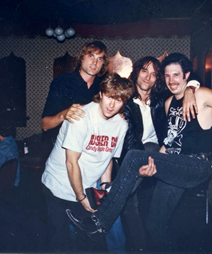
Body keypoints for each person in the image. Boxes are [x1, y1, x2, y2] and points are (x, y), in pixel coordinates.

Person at [66, 53, 212, 251]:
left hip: (196, 166)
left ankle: (99, 223)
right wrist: (153, 164)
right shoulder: (170, 103)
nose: (171, 80)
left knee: (133, 156)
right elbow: (168, 143)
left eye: (177, 76)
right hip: (175, 166)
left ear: (187, 76)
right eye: (168, 75)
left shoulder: (201, 95)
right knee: (155, 227)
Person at [41, 73, 134, 252]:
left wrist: (104, 187)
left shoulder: (121, 125)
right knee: (61, 244)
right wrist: (81, 197)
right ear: (101, 94)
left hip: (85, 188)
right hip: (58, 187)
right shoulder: (81, 117)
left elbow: (107, 158)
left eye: (119, 100)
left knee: (88, 244)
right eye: (109, 97)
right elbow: (71, 163)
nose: (112, 105)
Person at [118, 56, 199, 251]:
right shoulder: (124, 100)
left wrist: (190, 88)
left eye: (154, 74)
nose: (148, 77)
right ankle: (141, 248)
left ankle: (113, 193)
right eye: (144, 71)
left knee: (149, 149)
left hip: (158, 154)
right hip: (131, 156)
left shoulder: (161, 100)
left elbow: (190, 78)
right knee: (129, 203)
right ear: (136, 71)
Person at [41, 41, 109, 142]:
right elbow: (45, 125)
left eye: (99, 59)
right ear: (81, 58)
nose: (95, 63)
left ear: (103, 63)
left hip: (92, 145)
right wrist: (64, 115)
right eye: (91, 56)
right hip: (63, 144)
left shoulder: (104, 87)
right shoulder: (61, 82)